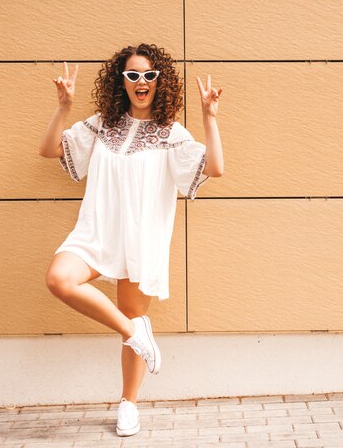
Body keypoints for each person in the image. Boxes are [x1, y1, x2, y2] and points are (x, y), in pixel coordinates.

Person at [38, 43, 224, 437]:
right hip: (95, 232)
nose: (141, 82)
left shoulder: (170, 133)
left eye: (149, 75)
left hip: (141, 238)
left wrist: (209, 118)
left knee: (135, 312)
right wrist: (64, 108)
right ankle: (134, 333)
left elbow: (216, 169)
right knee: (59, 279)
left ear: (160, 82)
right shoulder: (101, 124)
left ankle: (128, 404)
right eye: (133, 75)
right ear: (121, 81)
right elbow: (49, 149)